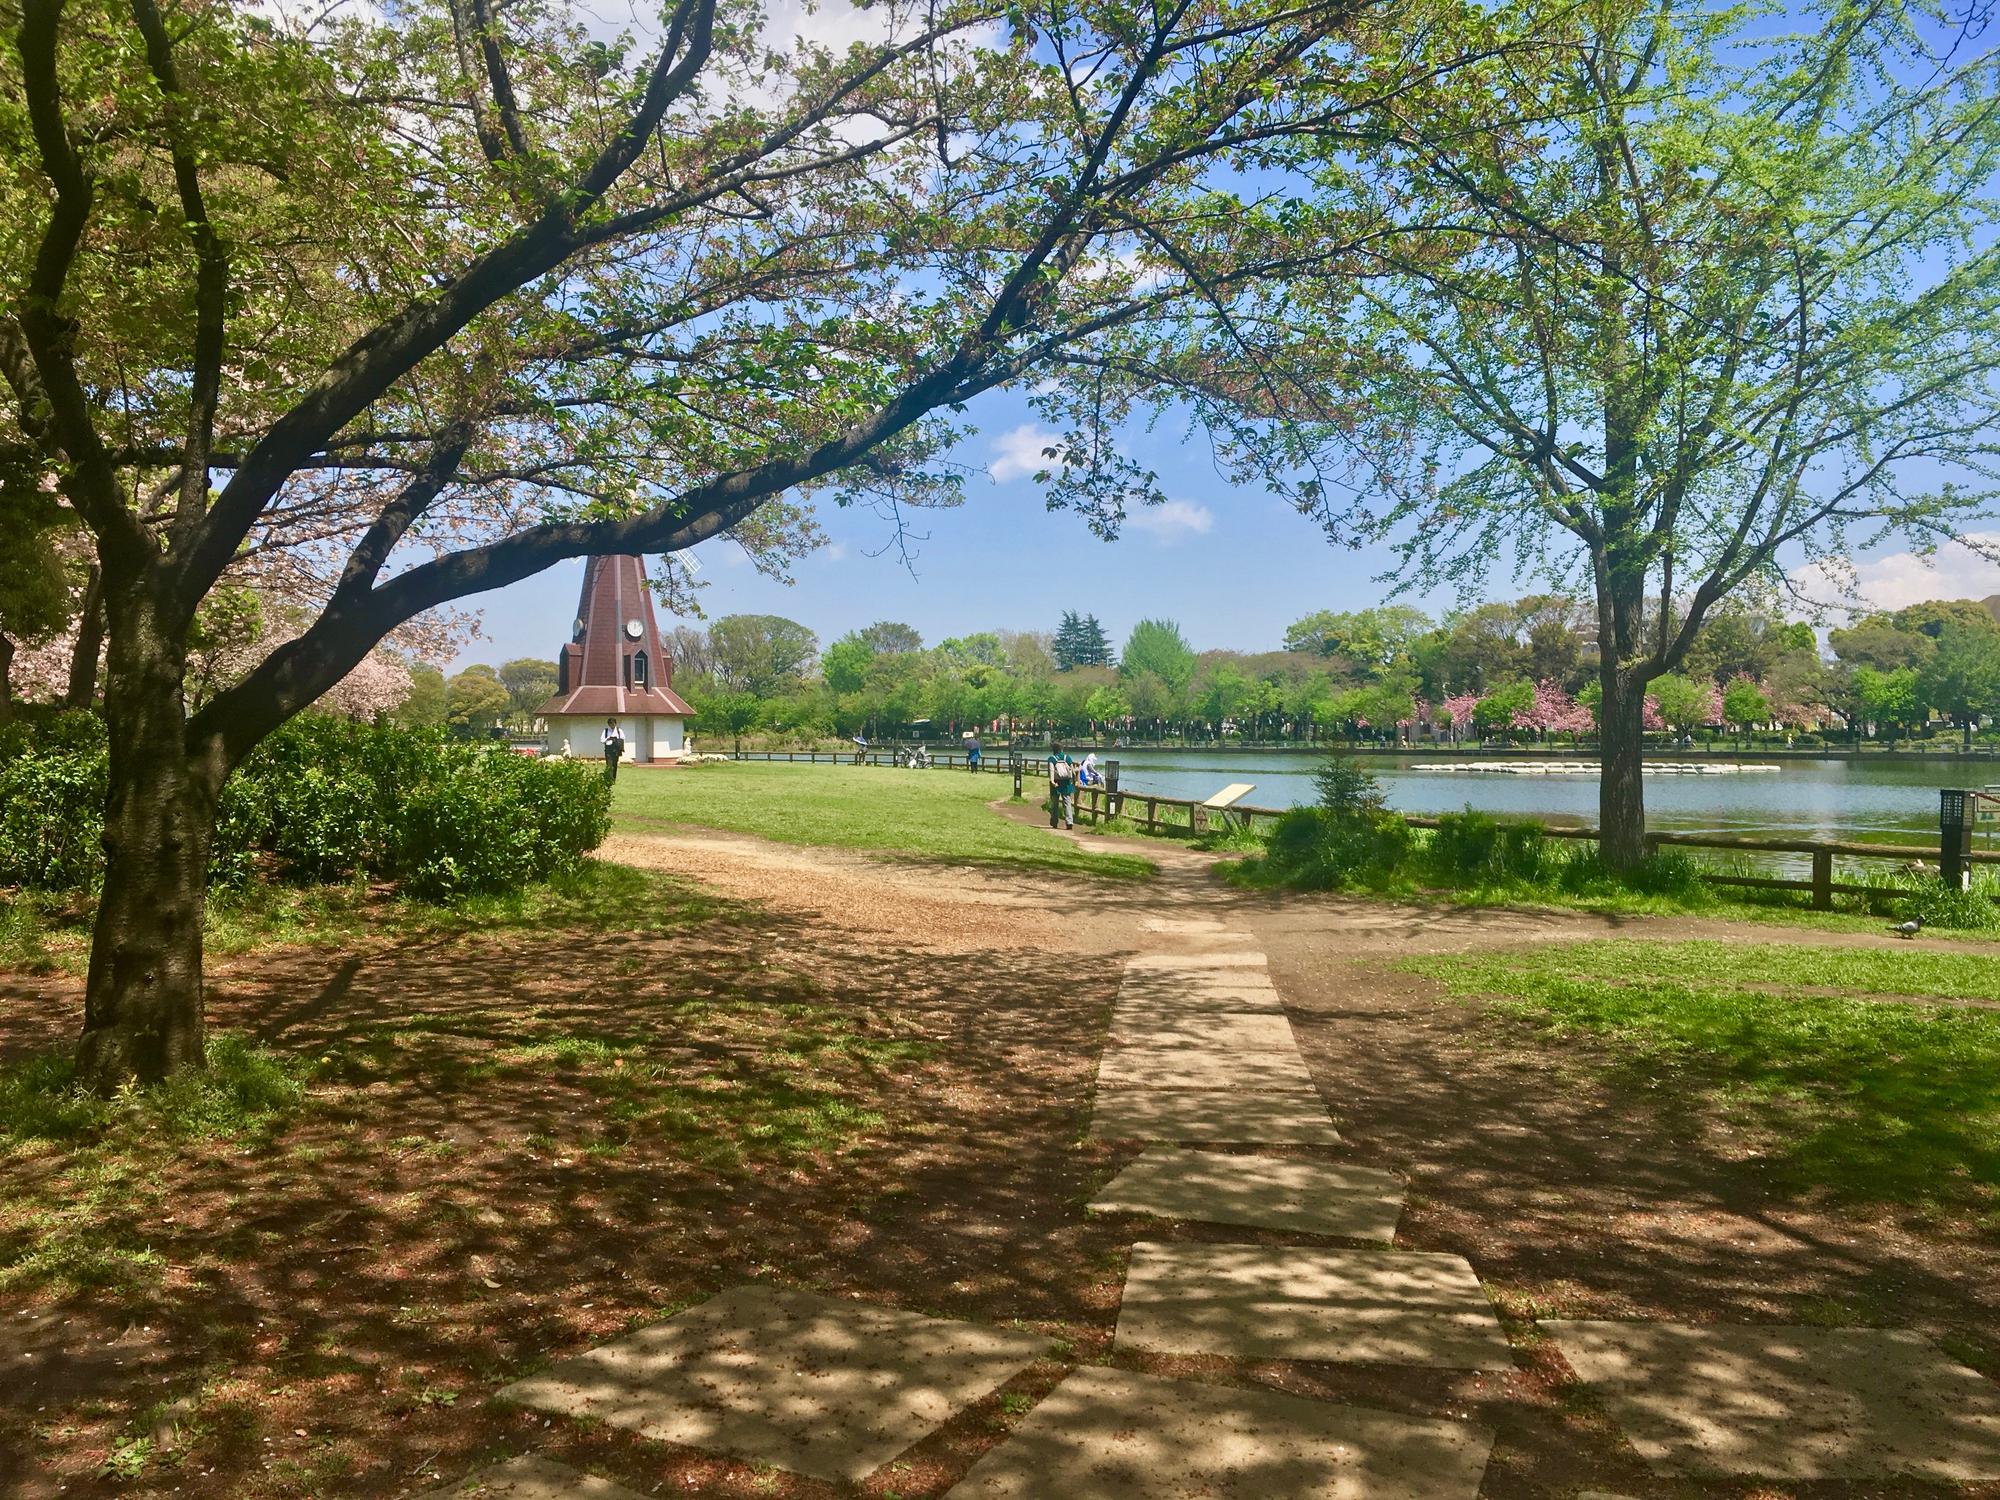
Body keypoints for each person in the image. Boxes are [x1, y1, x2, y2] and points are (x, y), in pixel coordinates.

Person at [1046, 740, 1078, 829]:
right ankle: (1069, 821)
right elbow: (1073, 771)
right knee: (1067, 802)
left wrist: (1052, 782)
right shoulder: (1067, 758)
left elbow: (1051, 771)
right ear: (1061, 749)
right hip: (1067, 783)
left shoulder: (1052, 759)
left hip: (1056, 783)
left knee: (1055, 803)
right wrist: (1074, 781)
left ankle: (1054, 822)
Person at [602, 717, 625, 782]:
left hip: (616, 750)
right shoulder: (606, 731)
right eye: (610, 724)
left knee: (614, 765)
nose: (612, 726)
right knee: (609, 765)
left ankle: (613, 779)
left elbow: (622, 738)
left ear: (615, 723)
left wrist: (616, 740)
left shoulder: (619, 730)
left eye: (613, 724)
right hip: (608, 749)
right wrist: (608, 739)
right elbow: (602, 740)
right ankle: (609, 779)